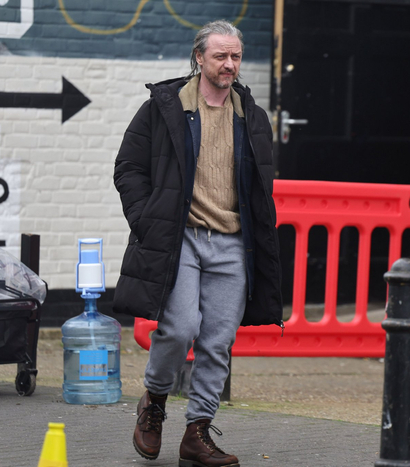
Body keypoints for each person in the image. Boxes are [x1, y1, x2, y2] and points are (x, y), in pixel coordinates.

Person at [112, 20, 283, 467]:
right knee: (181, 327)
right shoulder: (164, 107)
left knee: (218, 341)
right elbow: (128, 167)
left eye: (236, 56)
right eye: (220, 56)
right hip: (180, 238)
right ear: (199, 57)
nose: (230, 64)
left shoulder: (251, 115)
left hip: (232, 243)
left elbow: (260, 185)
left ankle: (198, 432)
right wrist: (147, 220)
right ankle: (153, 402)